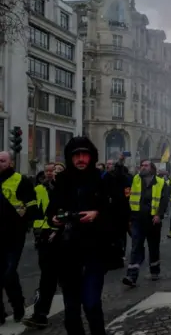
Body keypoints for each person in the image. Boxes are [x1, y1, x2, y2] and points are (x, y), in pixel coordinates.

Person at [46, 137, 113, 335]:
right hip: (67, 251)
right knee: (71, 312)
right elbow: (51, 210)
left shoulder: (103, 179)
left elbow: (117, 211)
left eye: (85, 155)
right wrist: (54, 219)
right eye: (76, 155)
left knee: (92, 304)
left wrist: (97, 214)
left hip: (95, 249)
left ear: (91, 157)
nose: (81, 159)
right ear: (70, 158)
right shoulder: (62, 180)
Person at [0, 151, 38, 324]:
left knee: (8, 273)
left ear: (11, 162)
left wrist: (28, 219)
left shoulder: (20, 180)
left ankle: (18, 305)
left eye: (2, 160)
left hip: (14, 233)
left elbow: (31, 203)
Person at [23, 163, 60, 329]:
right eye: (49, 171)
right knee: (47, 276)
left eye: (56, 170)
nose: (52, 173)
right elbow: (33, 210)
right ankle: (40, 314)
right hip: (45, 236)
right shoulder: (39, 189)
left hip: (66, 237)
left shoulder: (70, 190)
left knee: (70, 279)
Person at [122, 160, 170, 287]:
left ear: (151, 167)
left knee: (153, 246)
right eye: (142, 165)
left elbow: (164, 200)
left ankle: (155, 270)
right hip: (137, 219)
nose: (143, 167)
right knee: (136, 246)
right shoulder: (135, 179)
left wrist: (159, 215)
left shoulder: (160, 181)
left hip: (153, 219)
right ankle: (131, 276)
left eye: (146, 165)